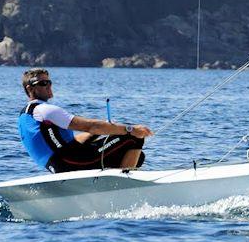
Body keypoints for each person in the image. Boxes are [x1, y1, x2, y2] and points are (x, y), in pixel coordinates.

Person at [17, 68, 153, 173]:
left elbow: (75, 142)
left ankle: (105, 185)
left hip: (60, 164)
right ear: (30, 89)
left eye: (49, 82)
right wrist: (131, 129)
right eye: (42, 83)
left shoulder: (26, 115)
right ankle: (121, 187)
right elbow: (92, 126)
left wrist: (98, 133)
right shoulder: (45, 110)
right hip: (69, 161)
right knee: (134, 138)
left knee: (137, 156)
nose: (48, 86)